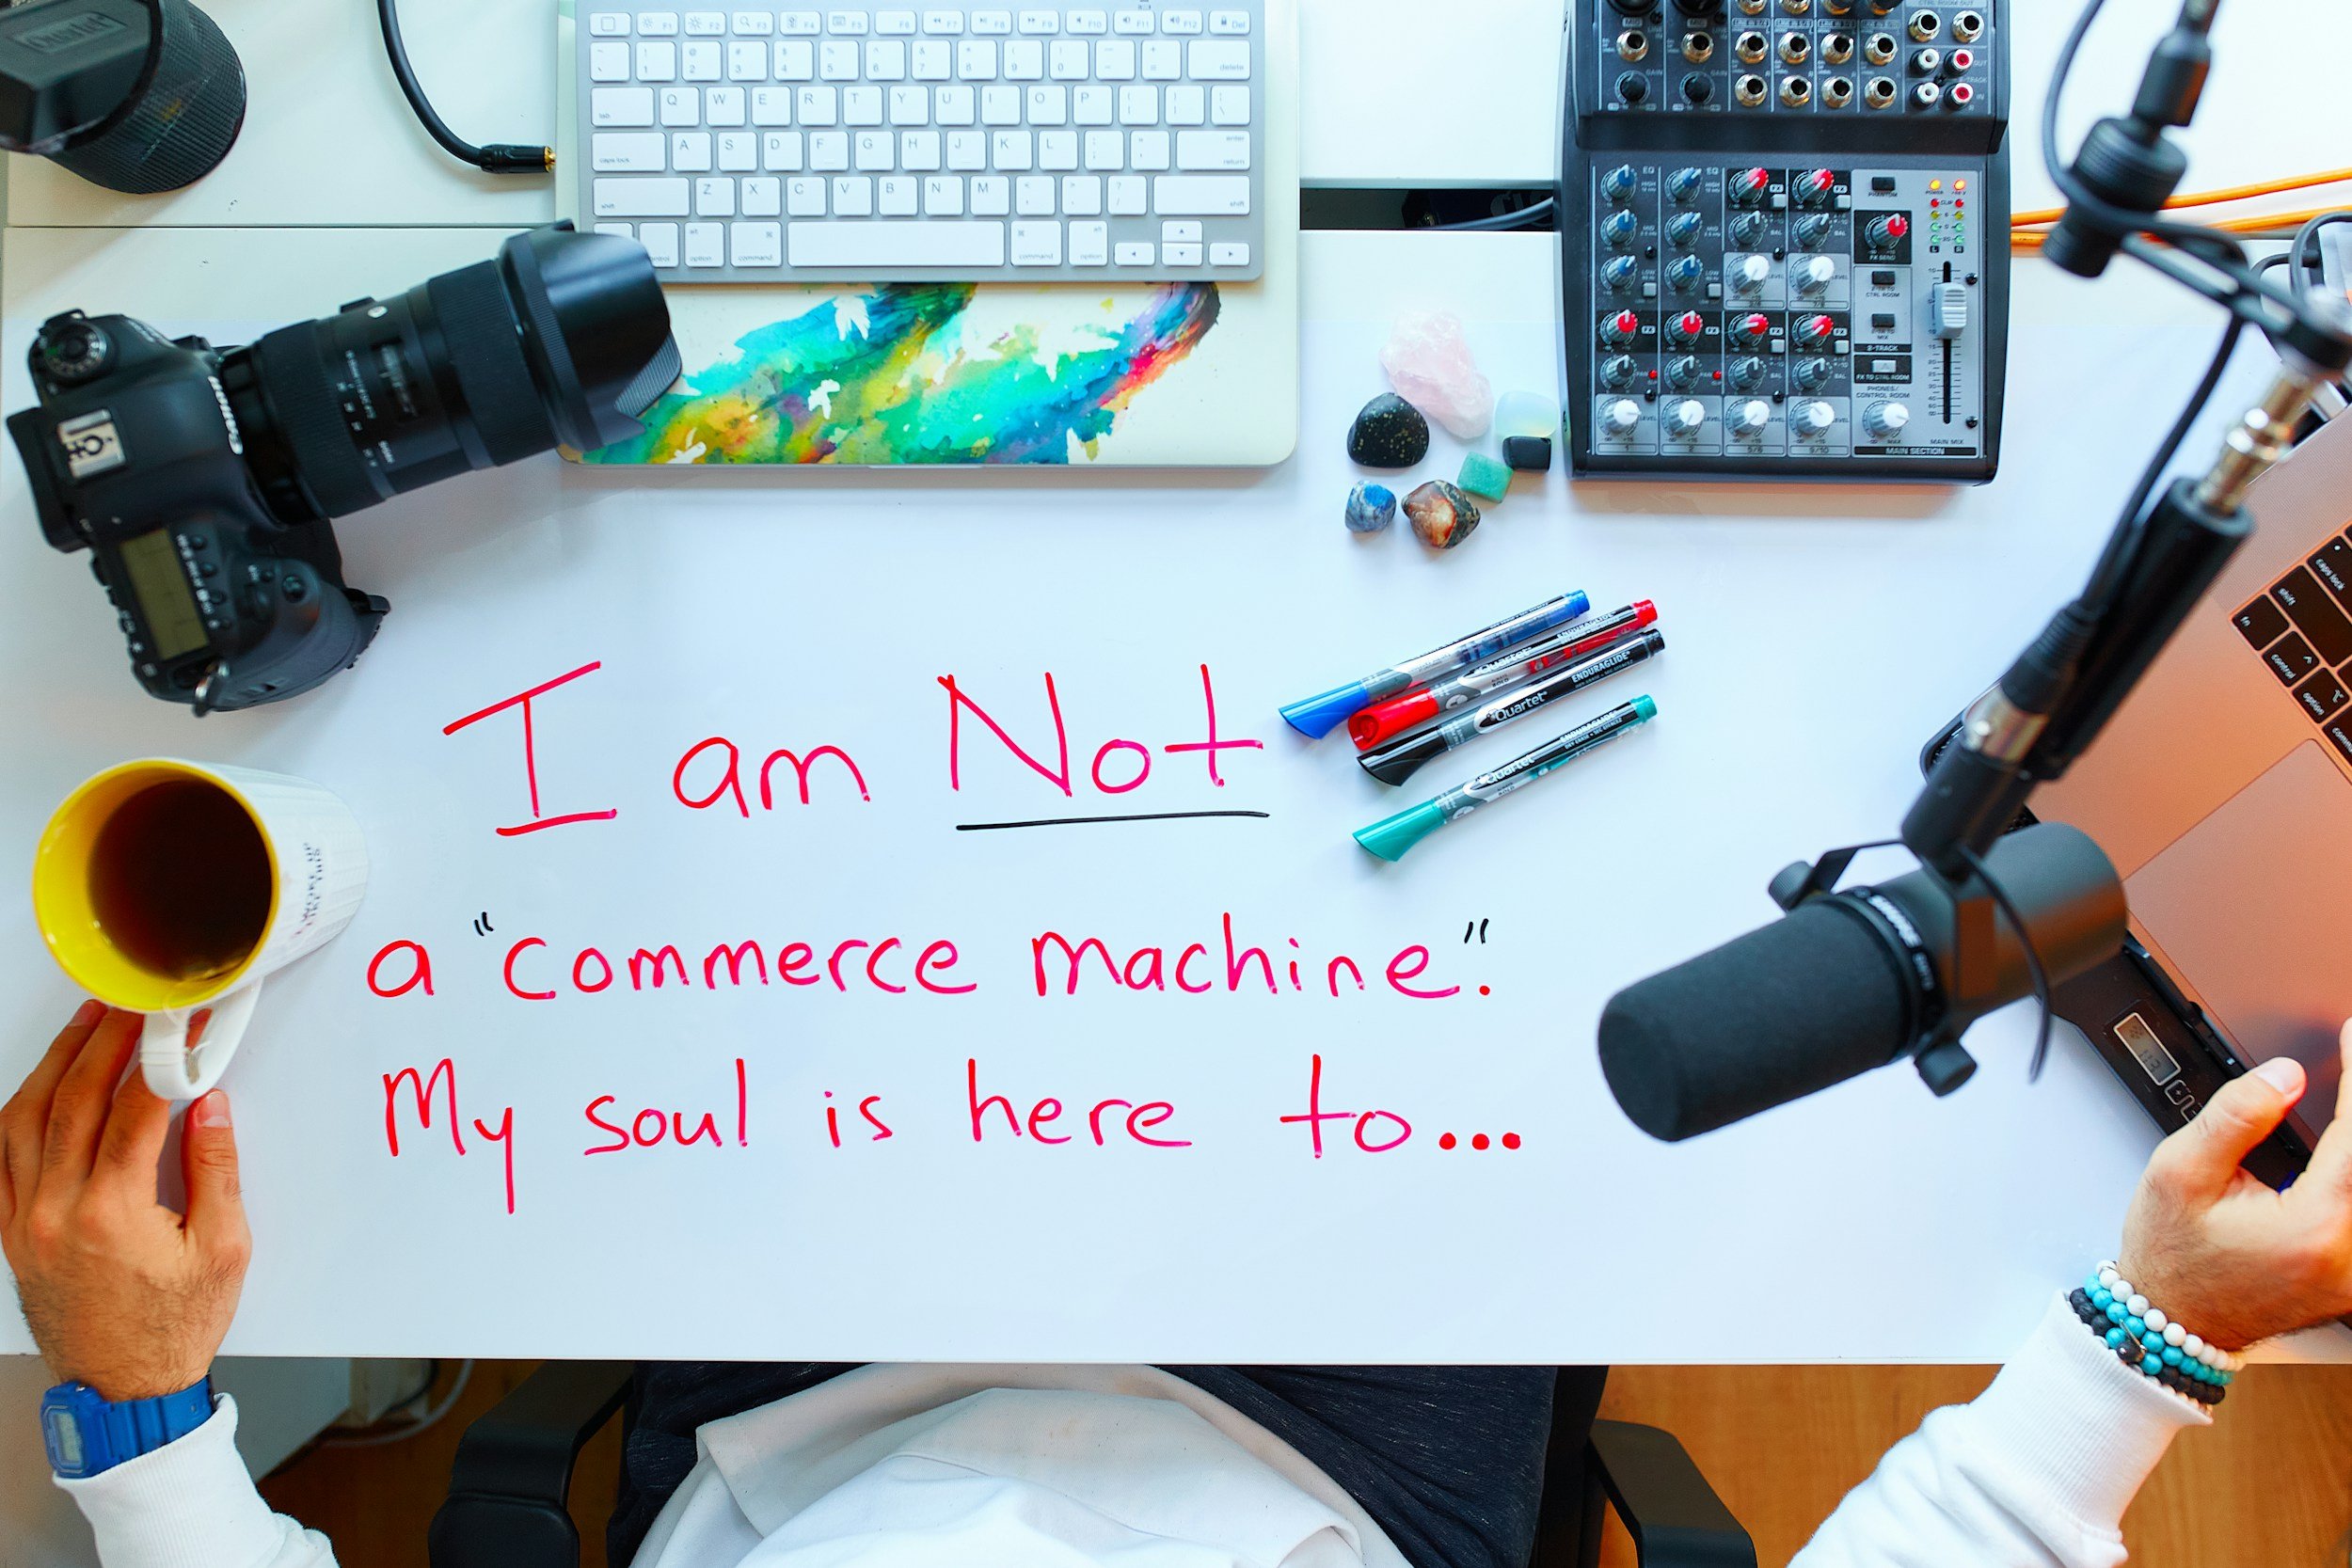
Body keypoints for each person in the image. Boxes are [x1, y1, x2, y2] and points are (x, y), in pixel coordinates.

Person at [6, 1003, 2350, 1568]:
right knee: (1504, 992)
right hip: (1333, 1446)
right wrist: (2148, 1328)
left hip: (817, 1413)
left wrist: (132, 1411)